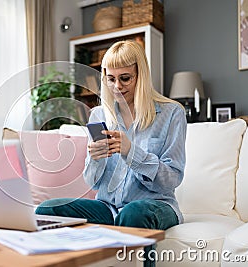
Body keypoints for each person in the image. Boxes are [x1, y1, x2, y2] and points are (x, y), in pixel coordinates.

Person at [36, 40, 186, 266]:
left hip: (154, 205)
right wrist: (95, 159)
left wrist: (131, 152)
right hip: (108, 207)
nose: (117, 86)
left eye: (125, 78)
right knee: (46, 210)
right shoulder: (98, 116)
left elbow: (172, 179)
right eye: (110, 78)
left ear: (141, 75)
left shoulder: (172, 113)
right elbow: (92, 183)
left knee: (134, 213)